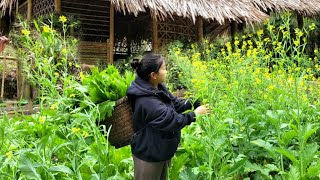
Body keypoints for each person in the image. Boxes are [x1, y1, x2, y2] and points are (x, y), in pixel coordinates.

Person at [127, 53, 209, 180]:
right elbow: (172, 121)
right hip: (148, 155)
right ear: (153, 75)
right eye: (164, 68)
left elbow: (174, 103)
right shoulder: (147, 100)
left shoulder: (157, 87)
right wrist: (195, 114)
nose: (166, 71)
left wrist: (193, 101)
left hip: (159, 149)